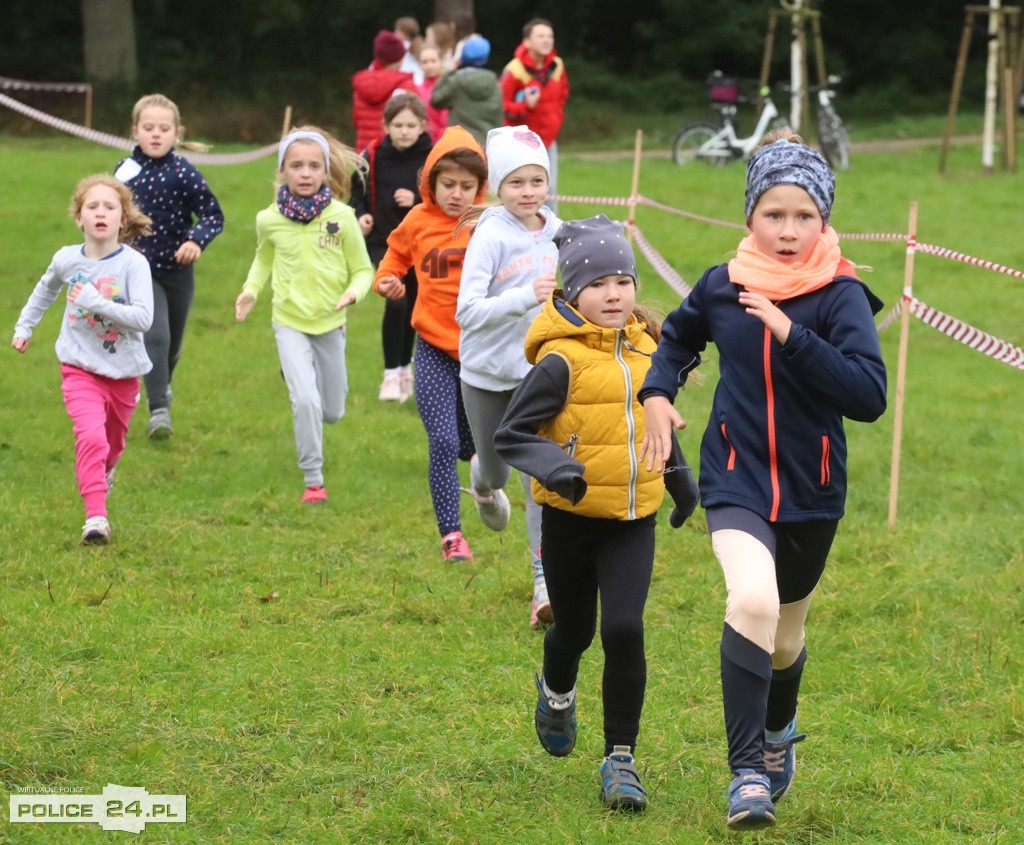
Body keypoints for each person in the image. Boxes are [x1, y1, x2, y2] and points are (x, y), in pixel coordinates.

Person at [639, 131, 887, 831]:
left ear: (824, 219)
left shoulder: (840, 294)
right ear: (750, 215)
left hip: (813, 489)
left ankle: (779, 729)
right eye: (774, 214)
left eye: (804, 215)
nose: (787, 230)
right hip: (735, 475)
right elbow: (678, 337)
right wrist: (657, 393)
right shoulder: (723, 284)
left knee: (784, 638)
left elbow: (868, 396)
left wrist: (791, 333)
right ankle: (747, 773)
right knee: (752, 600)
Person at [494, 214, 699, 813]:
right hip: (571, 521)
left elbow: (657, 423)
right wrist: (556, 467)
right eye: (599, 284)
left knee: (625, 629)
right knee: (576, 631)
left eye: (624, 282)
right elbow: (511, 434)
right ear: (571, 292)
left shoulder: (651, 352)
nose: (614, 294)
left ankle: (620, 759)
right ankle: (557, 691)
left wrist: (683, 482)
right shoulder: (559, 361)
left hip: (633, 520)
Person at [12, 174, 154, 545]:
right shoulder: (66, 259)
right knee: (91, 437)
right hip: (78, 366)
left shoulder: (134, 264)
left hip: (123, 371)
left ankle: (104, 472)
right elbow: (43, 292)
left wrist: (97, 303)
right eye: (92, 207)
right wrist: (24, 326)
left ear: (123, 219)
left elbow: (143, 318)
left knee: (112, 445)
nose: (100, 213)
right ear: (79, 217)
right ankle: (96, 518)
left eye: (109, 207)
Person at [456, 125, 560, 628]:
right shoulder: (490, 235)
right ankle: (481, 480)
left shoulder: (558, 231)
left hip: (535, 372)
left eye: (537, 181)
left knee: (537, 477)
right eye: (516, 182)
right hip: (483, 374)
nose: (528, 192)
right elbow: (467, 313)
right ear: (497, 186)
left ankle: (544, 584)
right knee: (498, 473)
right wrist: (525, 297)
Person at [235, 127, 374, 503]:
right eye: (296, 166)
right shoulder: (269, 219)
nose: (305, 173)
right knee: (306, 402)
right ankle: (314, 480)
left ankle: (303, 380)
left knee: (332, 411)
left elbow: (363, 270)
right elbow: (263, 259)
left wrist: (354, 292)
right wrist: (250, 291)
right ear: (282, 171)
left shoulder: (343, 217)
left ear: (326, 171)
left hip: (331, 323)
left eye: (314, 166)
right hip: (289, 321)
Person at [373, 126, 488, 562]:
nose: (457, 194)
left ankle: (485, 486)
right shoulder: (418, 220)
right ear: (430, 183)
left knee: (478, 449)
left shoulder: (490, 223)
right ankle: (452, 536)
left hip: (482, 353)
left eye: (467, 186)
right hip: (434, 347)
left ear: (480, 187)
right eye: (448, 184)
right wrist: (386, 280)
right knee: (441, 441)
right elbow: (394, 256)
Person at [114, 93, 224, 440]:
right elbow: (109, 212)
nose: (156, 134)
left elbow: (212, 215)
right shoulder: (123, 171)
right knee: (156, 336)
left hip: (177, 271)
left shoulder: (185, 173)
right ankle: (158, 410)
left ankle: (163, 381)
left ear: (177, 133)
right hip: (139, 271)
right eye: (148, 127)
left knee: (172, 344)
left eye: (164, 128)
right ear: (135, 131)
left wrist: (195, 241)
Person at [349, 92, 433, 403]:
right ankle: (389, 374)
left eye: (411, 125)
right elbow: (355, 195)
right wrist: (361, 215)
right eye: (398, 125)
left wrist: (417, 198)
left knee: (412, 307)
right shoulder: (371, 156)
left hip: (422, 245)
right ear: (385, 126)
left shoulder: (434, 158)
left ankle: (404, 369)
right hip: (383, 243)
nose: (405, 131)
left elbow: (446, 199)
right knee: (395, 301)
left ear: (422, 125)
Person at [499, 19, 569, 212]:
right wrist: (524, 106)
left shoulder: (557, 65)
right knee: (523, 191)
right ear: (527, 42)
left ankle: (552, 229)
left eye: (550, 36)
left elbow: (563, 95)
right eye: (541, 36)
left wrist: (557, 118)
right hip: (521, 142)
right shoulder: (514, 69)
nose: (547, 40)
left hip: (548, 140)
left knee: (549, 189)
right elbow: (501, 105)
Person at [430, 36, 503, 148]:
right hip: (486, 145)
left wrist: (449, 72)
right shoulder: (494, 83)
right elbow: (498, 119)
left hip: (460, 144)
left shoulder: (456, 81)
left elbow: (435, 100)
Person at [351, 30, 417, 153]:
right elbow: (417, 116)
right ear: (398, 59)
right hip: (395, 151)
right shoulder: (405, 84)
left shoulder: (362, 83)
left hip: (364, 150)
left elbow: (356, 120)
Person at [416, 43, 449, 143]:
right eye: (425, 62)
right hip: (422, 140)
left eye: (433, 61)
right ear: (419, 64)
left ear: (441, 61)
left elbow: (446, 121)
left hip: (441, 140)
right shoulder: (418, 88)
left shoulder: (447, 86)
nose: (429, 66)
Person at [394, 16, 424, 85]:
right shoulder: (420, 44)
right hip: (420, 80)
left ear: (402, 33)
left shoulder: (401, 47)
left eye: (396, 31)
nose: (394, 33)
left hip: (407, 81)